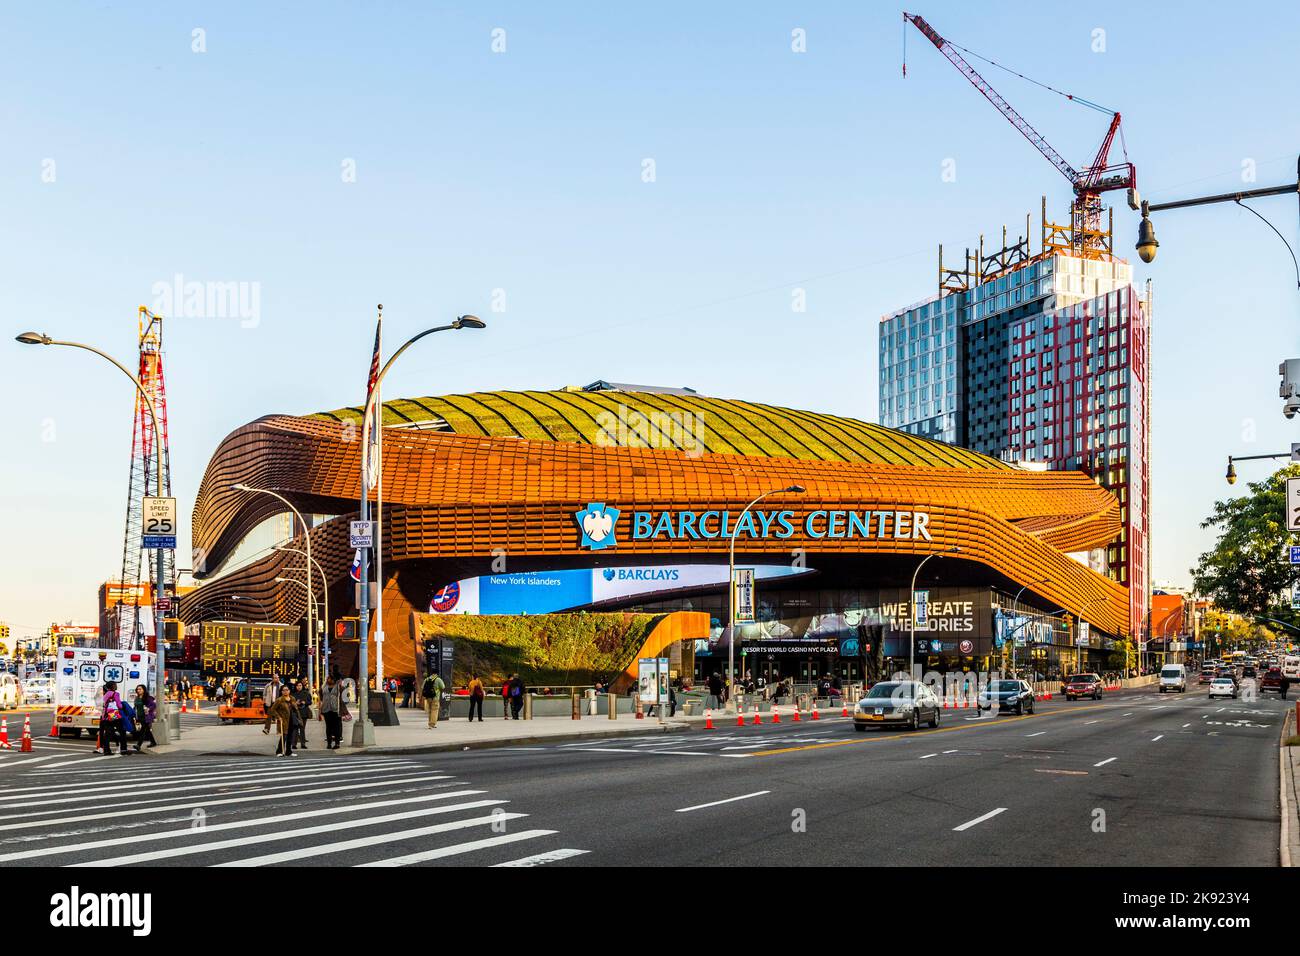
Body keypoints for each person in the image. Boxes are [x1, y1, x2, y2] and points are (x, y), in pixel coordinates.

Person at [96, 681, 130, 756]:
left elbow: (102, 705)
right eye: (115, 685)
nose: (116, 686)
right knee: (122, 732)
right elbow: (119, 705)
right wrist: (122, 705)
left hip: (106, 716)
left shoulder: (105, 695)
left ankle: (107, 750)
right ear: (113, 686)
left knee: (108, 734)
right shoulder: (116, 694)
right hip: (115, 716)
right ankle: (124, 749)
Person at [265, 685, 298, 757]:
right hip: (284, 720)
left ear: (289, 691)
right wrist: (278, 717)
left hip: (292, 719)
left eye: (287, 690)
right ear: (282, 692)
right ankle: (279, 751)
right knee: (284, 736)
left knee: (290, 736)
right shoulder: (279, 700)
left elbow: (295, 708)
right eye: (284, 690)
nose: (285, 691)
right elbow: (272, 710)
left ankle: (288, 751)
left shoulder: (292, 698)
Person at [318, 676, 343, 749]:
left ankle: (337, 743)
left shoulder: (338, 687)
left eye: (330, 679)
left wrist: (340, 684)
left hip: (336, 709)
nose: (328, 680)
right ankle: (329, 743)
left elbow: (344, 693)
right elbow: (320, 696)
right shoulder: (324, 687)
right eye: (327, 679)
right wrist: (320, 709)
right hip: (326, 709)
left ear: (333, 680)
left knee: (337, 727)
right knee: (328, 727)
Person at [132, 684, 157, 750]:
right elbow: (135, 707)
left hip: (146, 717)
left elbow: (153, 705)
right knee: (147, 730)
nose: (138, 690)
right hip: (139, 716)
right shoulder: (137, 698)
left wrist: (148, 708)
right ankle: (153, 742)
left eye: (140, 689)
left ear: (144, 690)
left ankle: (138, 745)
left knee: (143, 730)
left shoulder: (148, 698)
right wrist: (134, 714)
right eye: (137, 689)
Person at [293, 679, 312, 749]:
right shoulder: (293, 694)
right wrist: (295, 703)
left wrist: (305, 702)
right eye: (297, 685)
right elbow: (290, 703)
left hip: (304, 713)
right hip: (295, 713)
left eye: (300, 685)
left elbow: (310, 702)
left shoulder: (306, 693)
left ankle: (303, 744)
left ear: (302, 686)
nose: (299, 687)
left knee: (302, 729)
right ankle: (294, 744)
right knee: (295, 729)